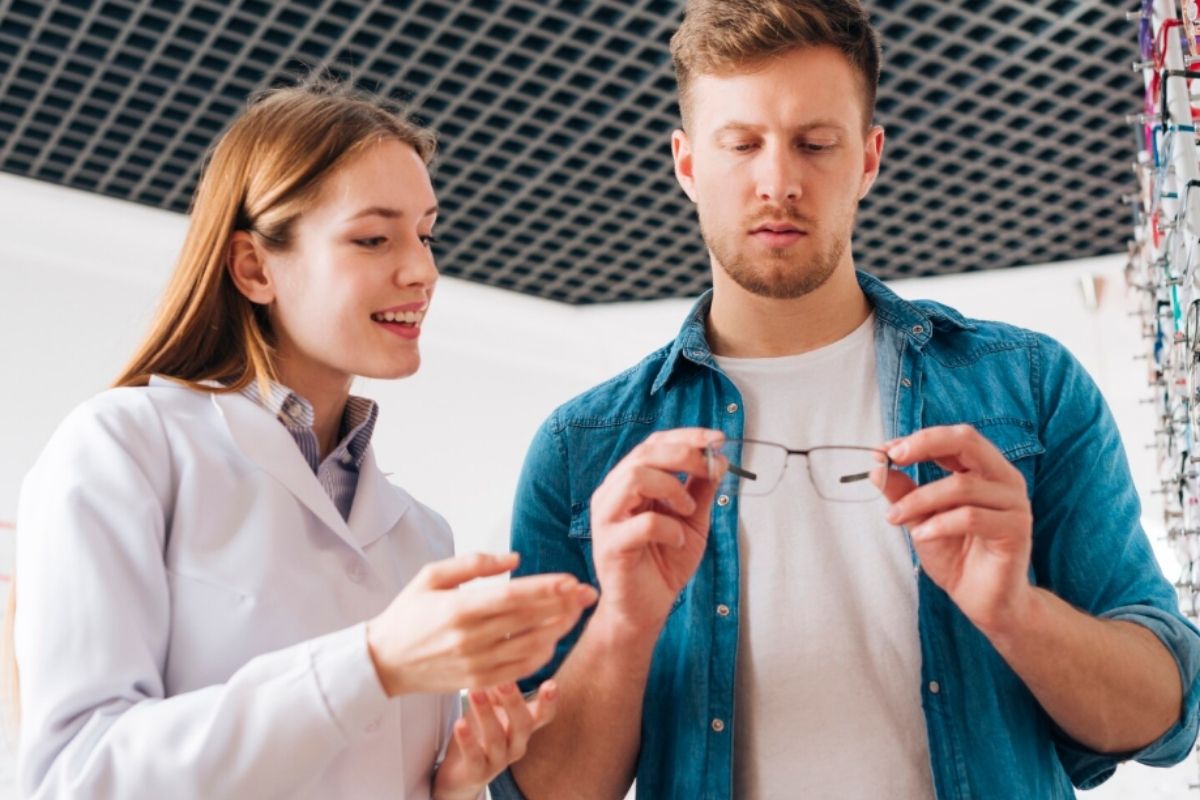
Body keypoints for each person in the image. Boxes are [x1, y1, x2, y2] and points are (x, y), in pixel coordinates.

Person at [490, 2, 1200, 799]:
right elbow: (540, 789)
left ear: (868, 159)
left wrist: (1014, 611)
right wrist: (624, 623)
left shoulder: (1030, 387)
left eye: (815, 144)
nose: (779, 181)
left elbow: (1165, 714)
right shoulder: (583, 449)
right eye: (742, 144)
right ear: (688, 166)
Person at [14, 83, 597, 799]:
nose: (423, 270)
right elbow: (79, 777)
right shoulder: (125, 448)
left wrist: (452, 785)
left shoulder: (421, 536)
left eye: (426, 233)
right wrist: (372, 661)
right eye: (374, 238)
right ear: (255, 267)